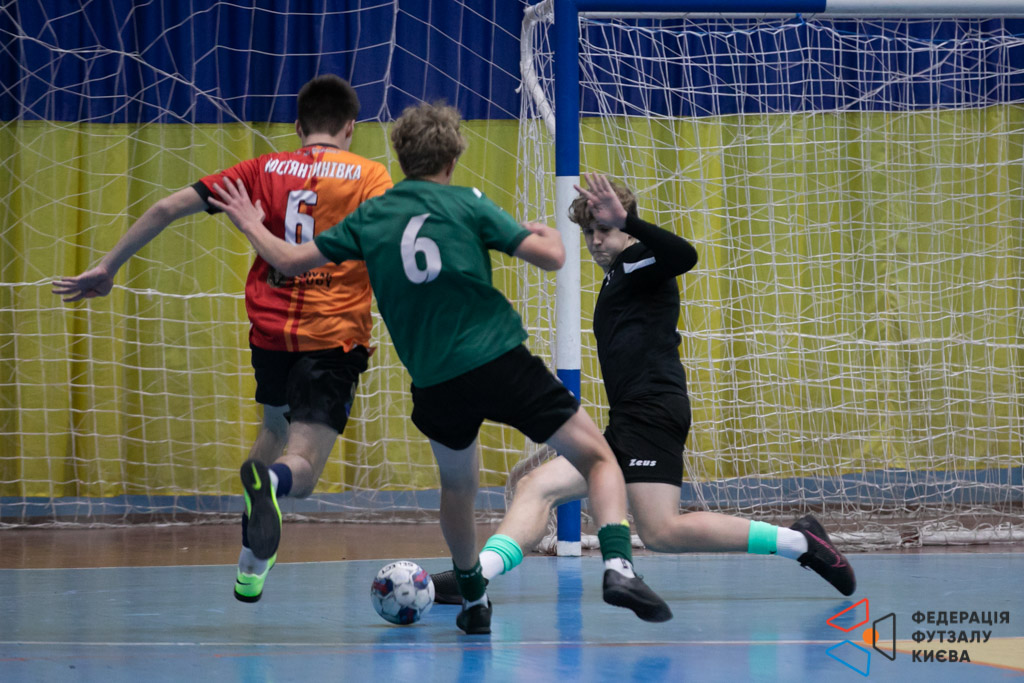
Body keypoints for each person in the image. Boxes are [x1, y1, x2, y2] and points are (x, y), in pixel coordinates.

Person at [207, 102, 673, 634]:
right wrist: (541, 233)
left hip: (434, 381)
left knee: (457, 488)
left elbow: (288, 262)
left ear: (399, 156)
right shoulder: (468, 202)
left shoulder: (371, 215)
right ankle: (618, 568)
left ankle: (473, 601)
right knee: (598, 457)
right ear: (453, 159)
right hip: (499, 360)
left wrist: (250, 222)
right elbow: (553, 258)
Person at [431, 173, 856, 605]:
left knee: (661, 531)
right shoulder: (616, 276)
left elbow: (685, 255)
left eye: (605, 229)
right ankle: (474, 578)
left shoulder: (639, 260)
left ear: (625, 226)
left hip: (653, 411)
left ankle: (799, 543)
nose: (596, 241)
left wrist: (629, 222)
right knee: (536, 486)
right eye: (589, 233)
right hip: (628, 418)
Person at [52, 75, 393, 603]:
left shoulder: (260, 170)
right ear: (351, 127)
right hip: (333, 335)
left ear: (297, 126)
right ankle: (271, 485)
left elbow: (165, 208)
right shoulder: (371, 177)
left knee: (275, 423)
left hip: (271, 333)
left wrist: (107, 266)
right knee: (302, 469)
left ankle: (251, 564)